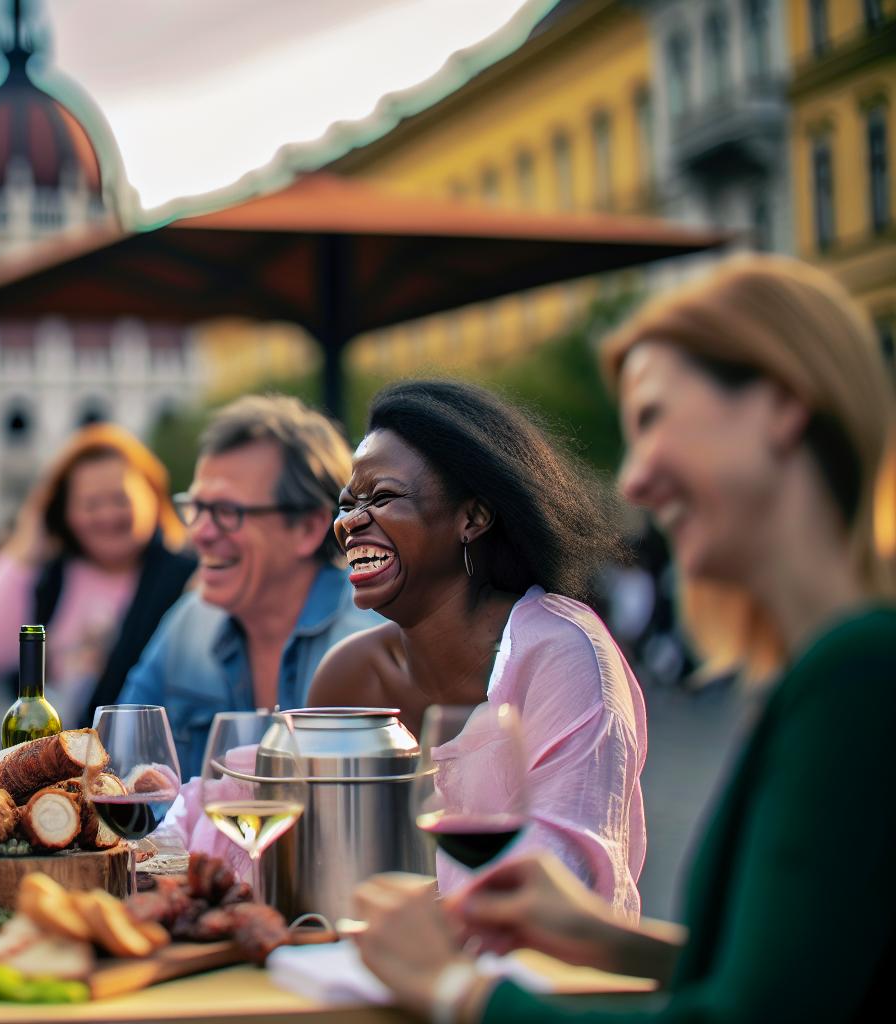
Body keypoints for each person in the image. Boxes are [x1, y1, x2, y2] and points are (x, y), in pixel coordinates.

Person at [350, 255, 896, 1023]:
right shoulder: (833, 665)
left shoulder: (858, 673)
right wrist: (602, 937)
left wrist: (458, 993)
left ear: (781, 405)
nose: (634, 480)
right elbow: (790, 977)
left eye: (653, 420)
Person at [307, 379, 647, 914]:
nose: (349, 523)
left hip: (536, 984)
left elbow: (566, 866)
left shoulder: (563, 655)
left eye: (383, 497)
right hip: (368, 975)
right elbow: (298, 844)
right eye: (347, 504)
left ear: (473, 517)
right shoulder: (350, 675)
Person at [118, 394, 380, 776]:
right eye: (195, 507)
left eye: (226, 512)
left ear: (308, 527)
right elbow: (116, 765)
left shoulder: (371, 637)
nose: (199, 534)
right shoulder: (189, 622)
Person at [0, 423, 196, 730]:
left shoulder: (187, 579)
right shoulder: (50, 579)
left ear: (153, 498)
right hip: (57, 767)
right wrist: (24, 548)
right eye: (91, 504)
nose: (107, 515)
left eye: (120, 500)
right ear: (63, 512)